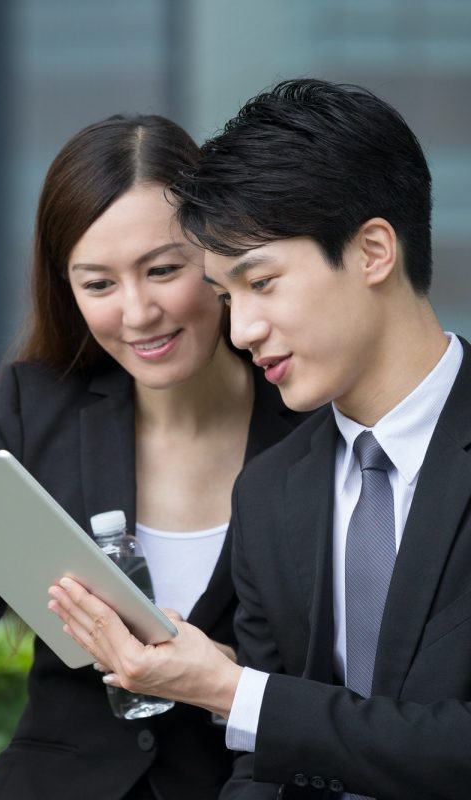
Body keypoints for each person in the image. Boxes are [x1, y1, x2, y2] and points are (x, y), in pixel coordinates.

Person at [48, 79, 471, 800]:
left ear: (372, 250)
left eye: (262, 282)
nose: (241, 331)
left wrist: (233, 690)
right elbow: (260, 772)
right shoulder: (272, 492)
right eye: (225, 296)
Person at [0, 113, 304, 800]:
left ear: (219, 253)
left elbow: (355, 683)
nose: (137, 313)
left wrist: (227, 678)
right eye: (98, 285)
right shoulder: (38, 407)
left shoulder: (310, 421)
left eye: (163, 270)